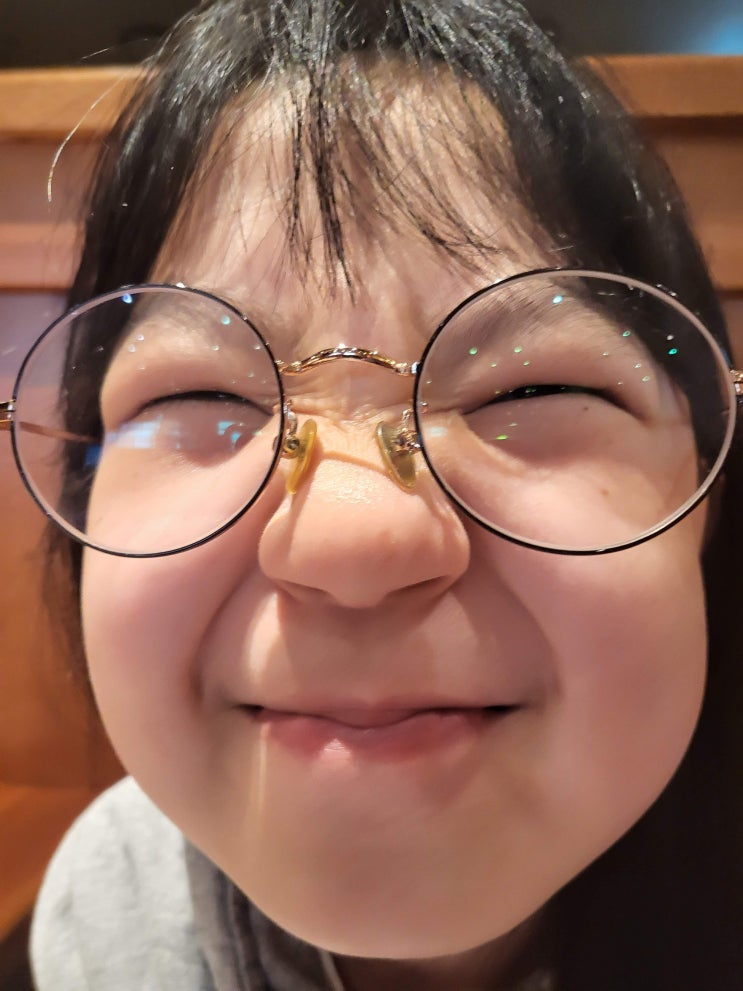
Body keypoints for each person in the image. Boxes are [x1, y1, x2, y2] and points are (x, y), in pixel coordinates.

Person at [5, 0, 742, 988]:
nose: (350, 541)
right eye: (203, 396)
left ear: (704, 499)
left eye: (529, 391)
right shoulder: (108, 913)